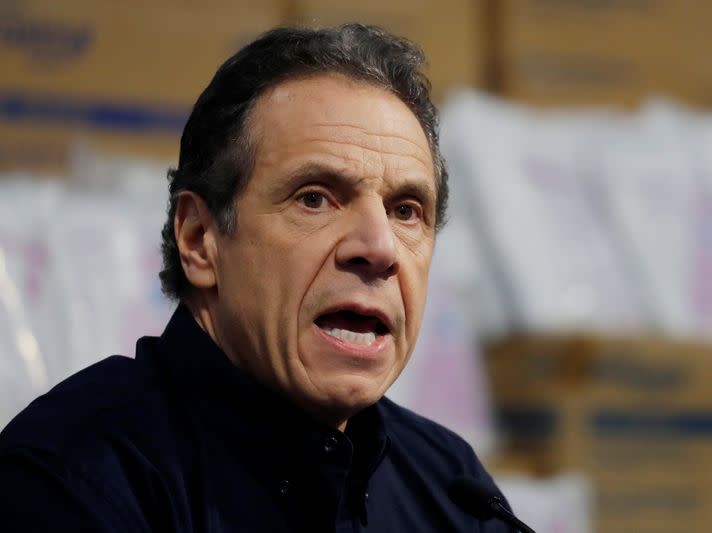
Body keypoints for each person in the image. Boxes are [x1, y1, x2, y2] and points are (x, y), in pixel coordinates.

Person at [0, 24, 513, 531]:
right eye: (315, 198)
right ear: (200, 239)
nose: (379, 249)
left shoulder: (452, 487)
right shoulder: (71, 482)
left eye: (405, 211)